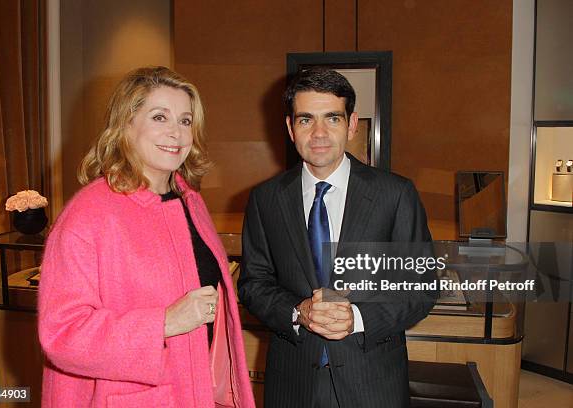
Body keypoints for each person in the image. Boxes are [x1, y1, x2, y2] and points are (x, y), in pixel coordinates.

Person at [38, 66, 255, 408]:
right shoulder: (89, 214)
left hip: (196, 391)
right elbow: (62, 335)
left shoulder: (189, 199)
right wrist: (164, 322)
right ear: (125, 125)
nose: (177, 134)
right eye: (159, 117)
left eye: (185, 121)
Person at [238, 68, 438, 408]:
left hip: (372, 381)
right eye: (305, 120)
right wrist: (298, 311)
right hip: (293, 382)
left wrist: (357, 318)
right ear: (290, 128)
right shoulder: (265, 199)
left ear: (352, 123)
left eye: (332, 118)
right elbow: (254, 283)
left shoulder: (395, 194)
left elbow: (421, 286)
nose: (319, 133)